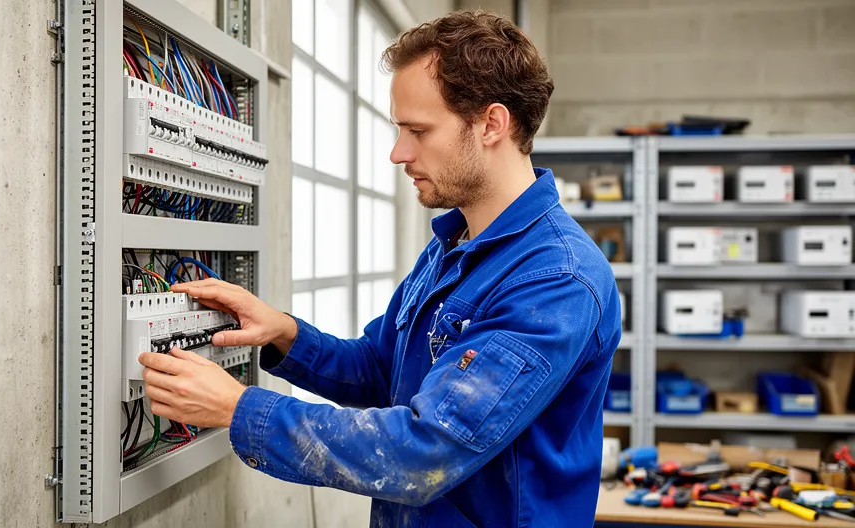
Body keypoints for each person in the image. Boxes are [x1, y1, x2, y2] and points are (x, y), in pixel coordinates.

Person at [138, 10, 620, 527]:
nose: (398, 153)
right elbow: (383, 372)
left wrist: (240, 410)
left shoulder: (555, 281)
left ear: (491, 124)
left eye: (418, 129)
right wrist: (285, 334)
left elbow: (423, 454)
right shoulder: (453, 243)